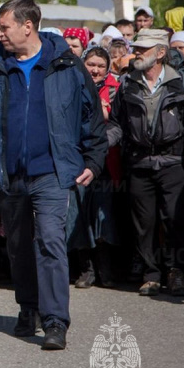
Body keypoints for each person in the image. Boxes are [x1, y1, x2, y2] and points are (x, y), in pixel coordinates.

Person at [0, 0, 107, 350]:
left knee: (51, 241)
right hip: (9, 174)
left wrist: (94, 160)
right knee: (18, 245)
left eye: (5, 27)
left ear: (28, 26)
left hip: (53, 172)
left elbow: (92, 118)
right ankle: (28, 308)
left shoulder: (67, 66)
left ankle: (55, 320)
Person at [106, 29, 184, 297]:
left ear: (161, 53)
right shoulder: (128, 84)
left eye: (143, 49)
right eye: (137, 48)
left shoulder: (182, 83)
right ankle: (150, 274)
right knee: (143, 223)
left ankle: (176, 272)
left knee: (175, 221)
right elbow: (117, 124)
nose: (137, 53)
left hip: (173, 161)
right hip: (139, 162)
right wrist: (100, 143)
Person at [67, 48, 121, 288]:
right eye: (91, 64)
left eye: (100, 65)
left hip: (106, 164)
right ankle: (85, 269)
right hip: (77, 160)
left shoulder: (115, 91)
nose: (95, 70)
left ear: (107, 68)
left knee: (103, 217)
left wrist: (100, 144)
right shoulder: (72, 87)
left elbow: (119, 126)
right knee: (79, 216)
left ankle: (105, 269)